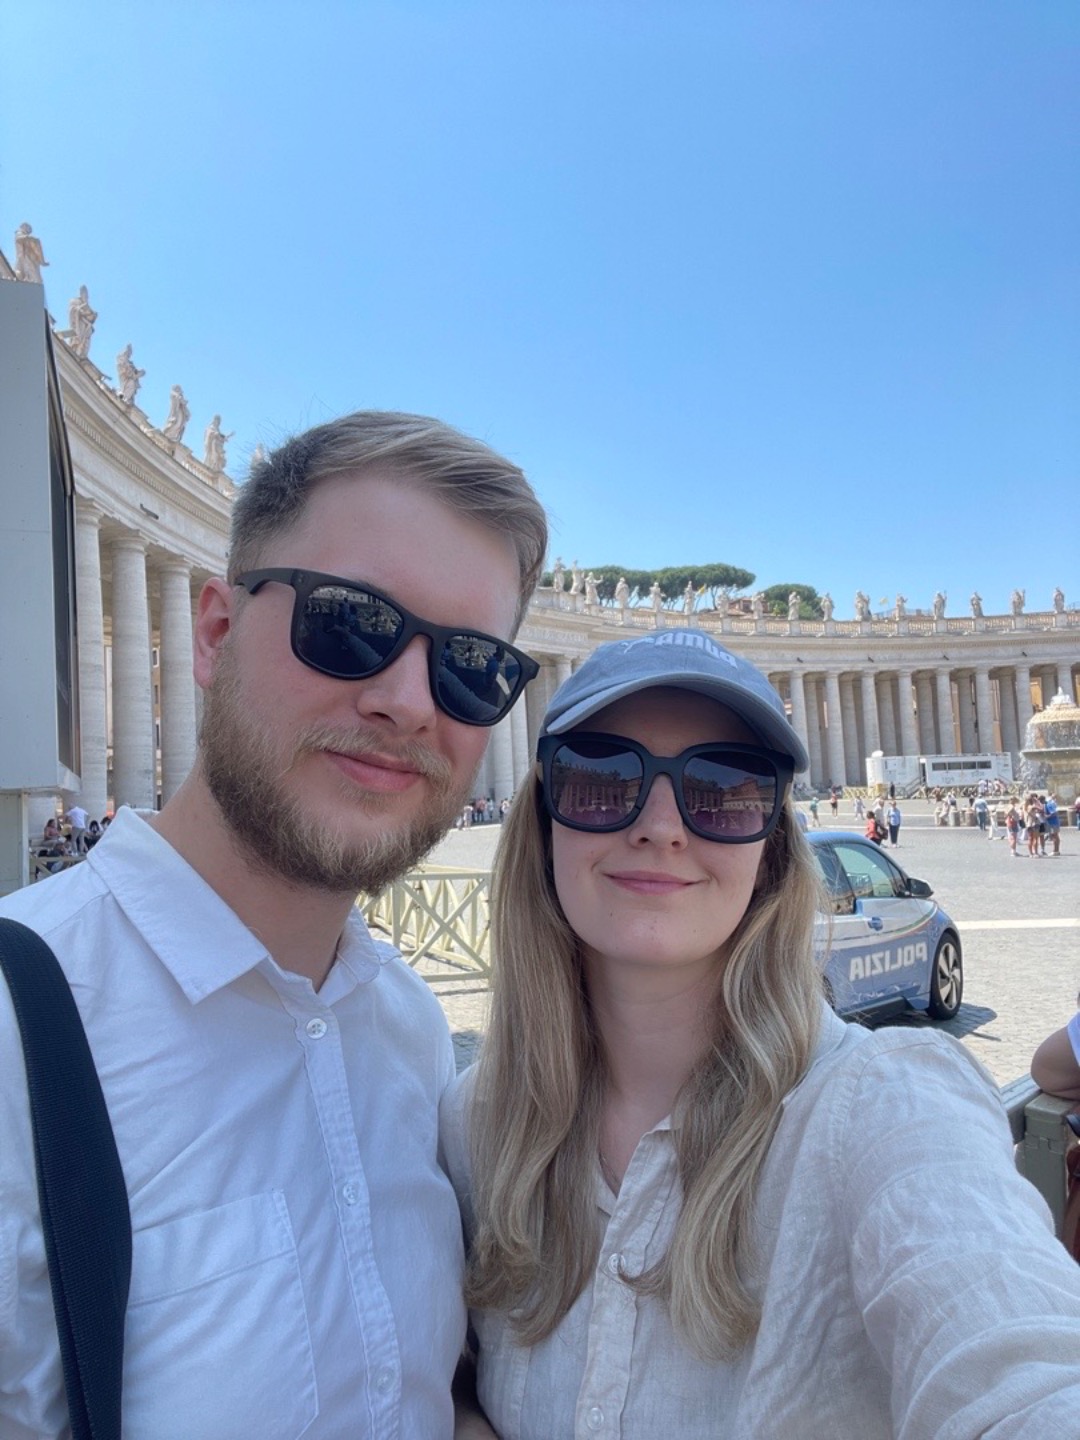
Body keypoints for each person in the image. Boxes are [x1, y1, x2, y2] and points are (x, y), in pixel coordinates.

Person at [0, 410, 547, 1439]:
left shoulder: (411, 1028)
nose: (408, 702)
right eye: (350, 622)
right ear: (215, 634)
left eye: (472, 666)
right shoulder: (13, 1037)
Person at [443, 629, 1080, 1437]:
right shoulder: (474, 1122)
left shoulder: (887, 1108)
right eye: (602, 777)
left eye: (724, 788)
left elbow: (1019, 1365)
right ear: (542, 824)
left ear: (771, 851)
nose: (662, 827)